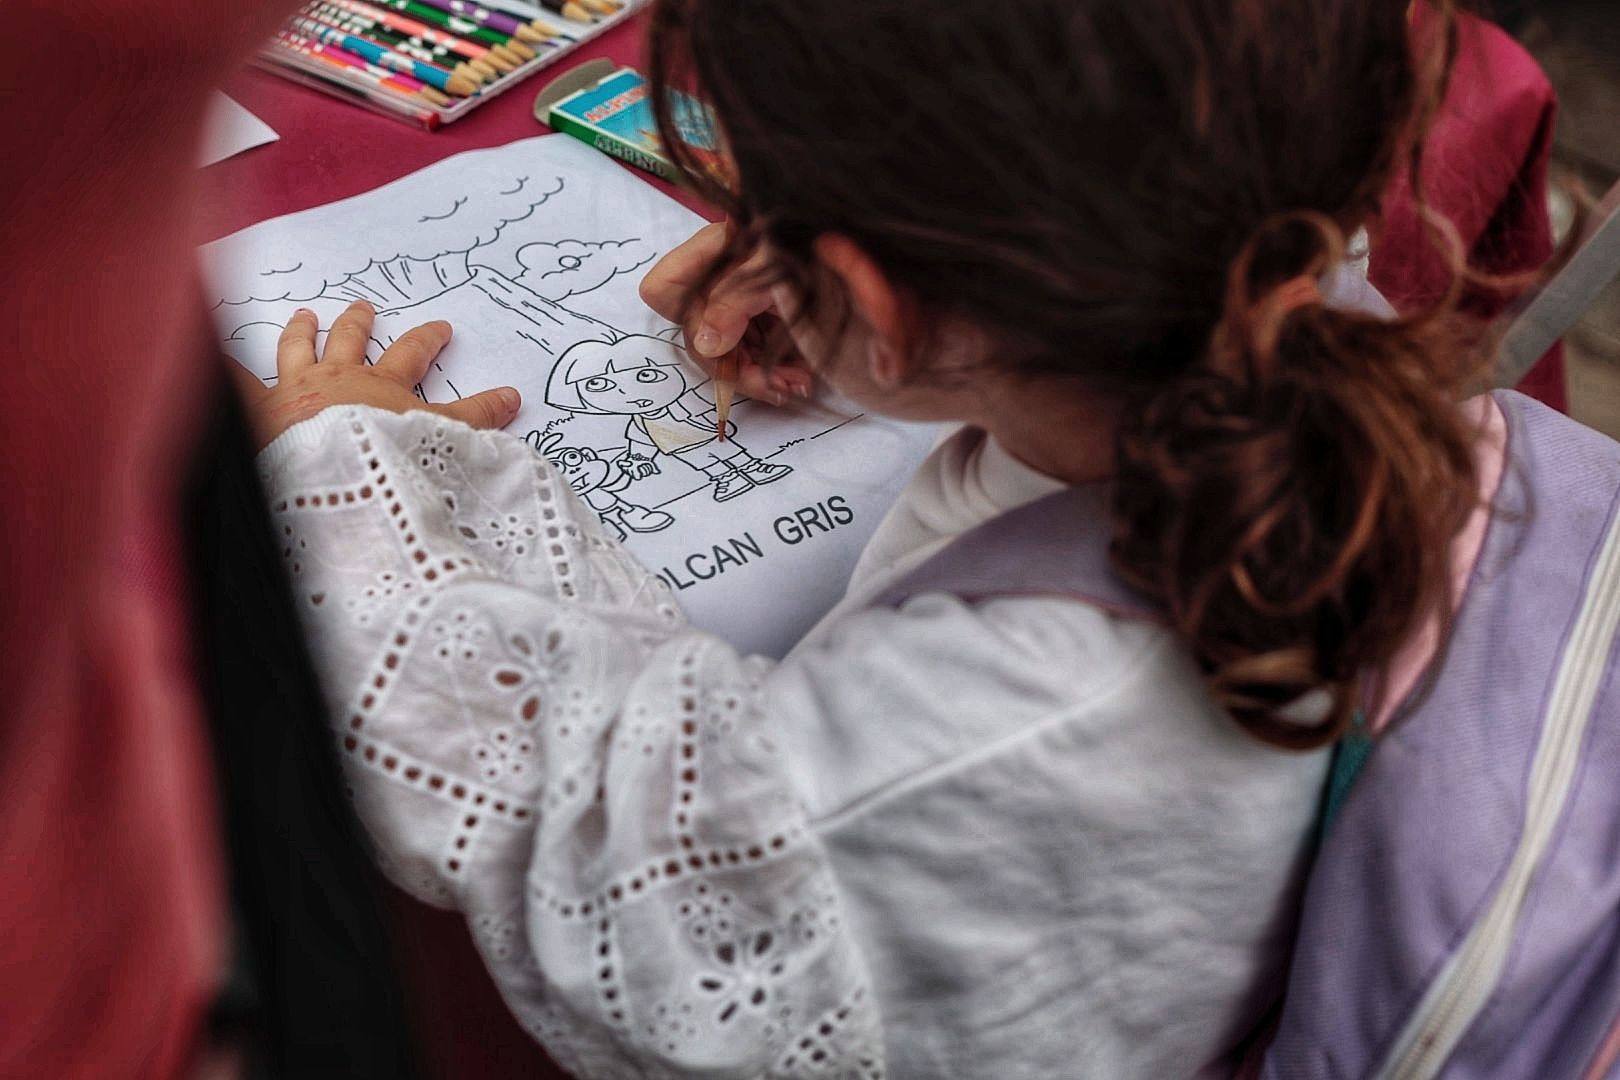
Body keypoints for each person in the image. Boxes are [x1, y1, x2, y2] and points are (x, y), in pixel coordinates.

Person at [230, 0, 1596, 1076]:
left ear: (880, 300)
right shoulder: (1290, 312)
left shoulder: (1020, 722)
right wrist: (893, 334)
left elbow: (613, 860)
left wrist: (348, 461)